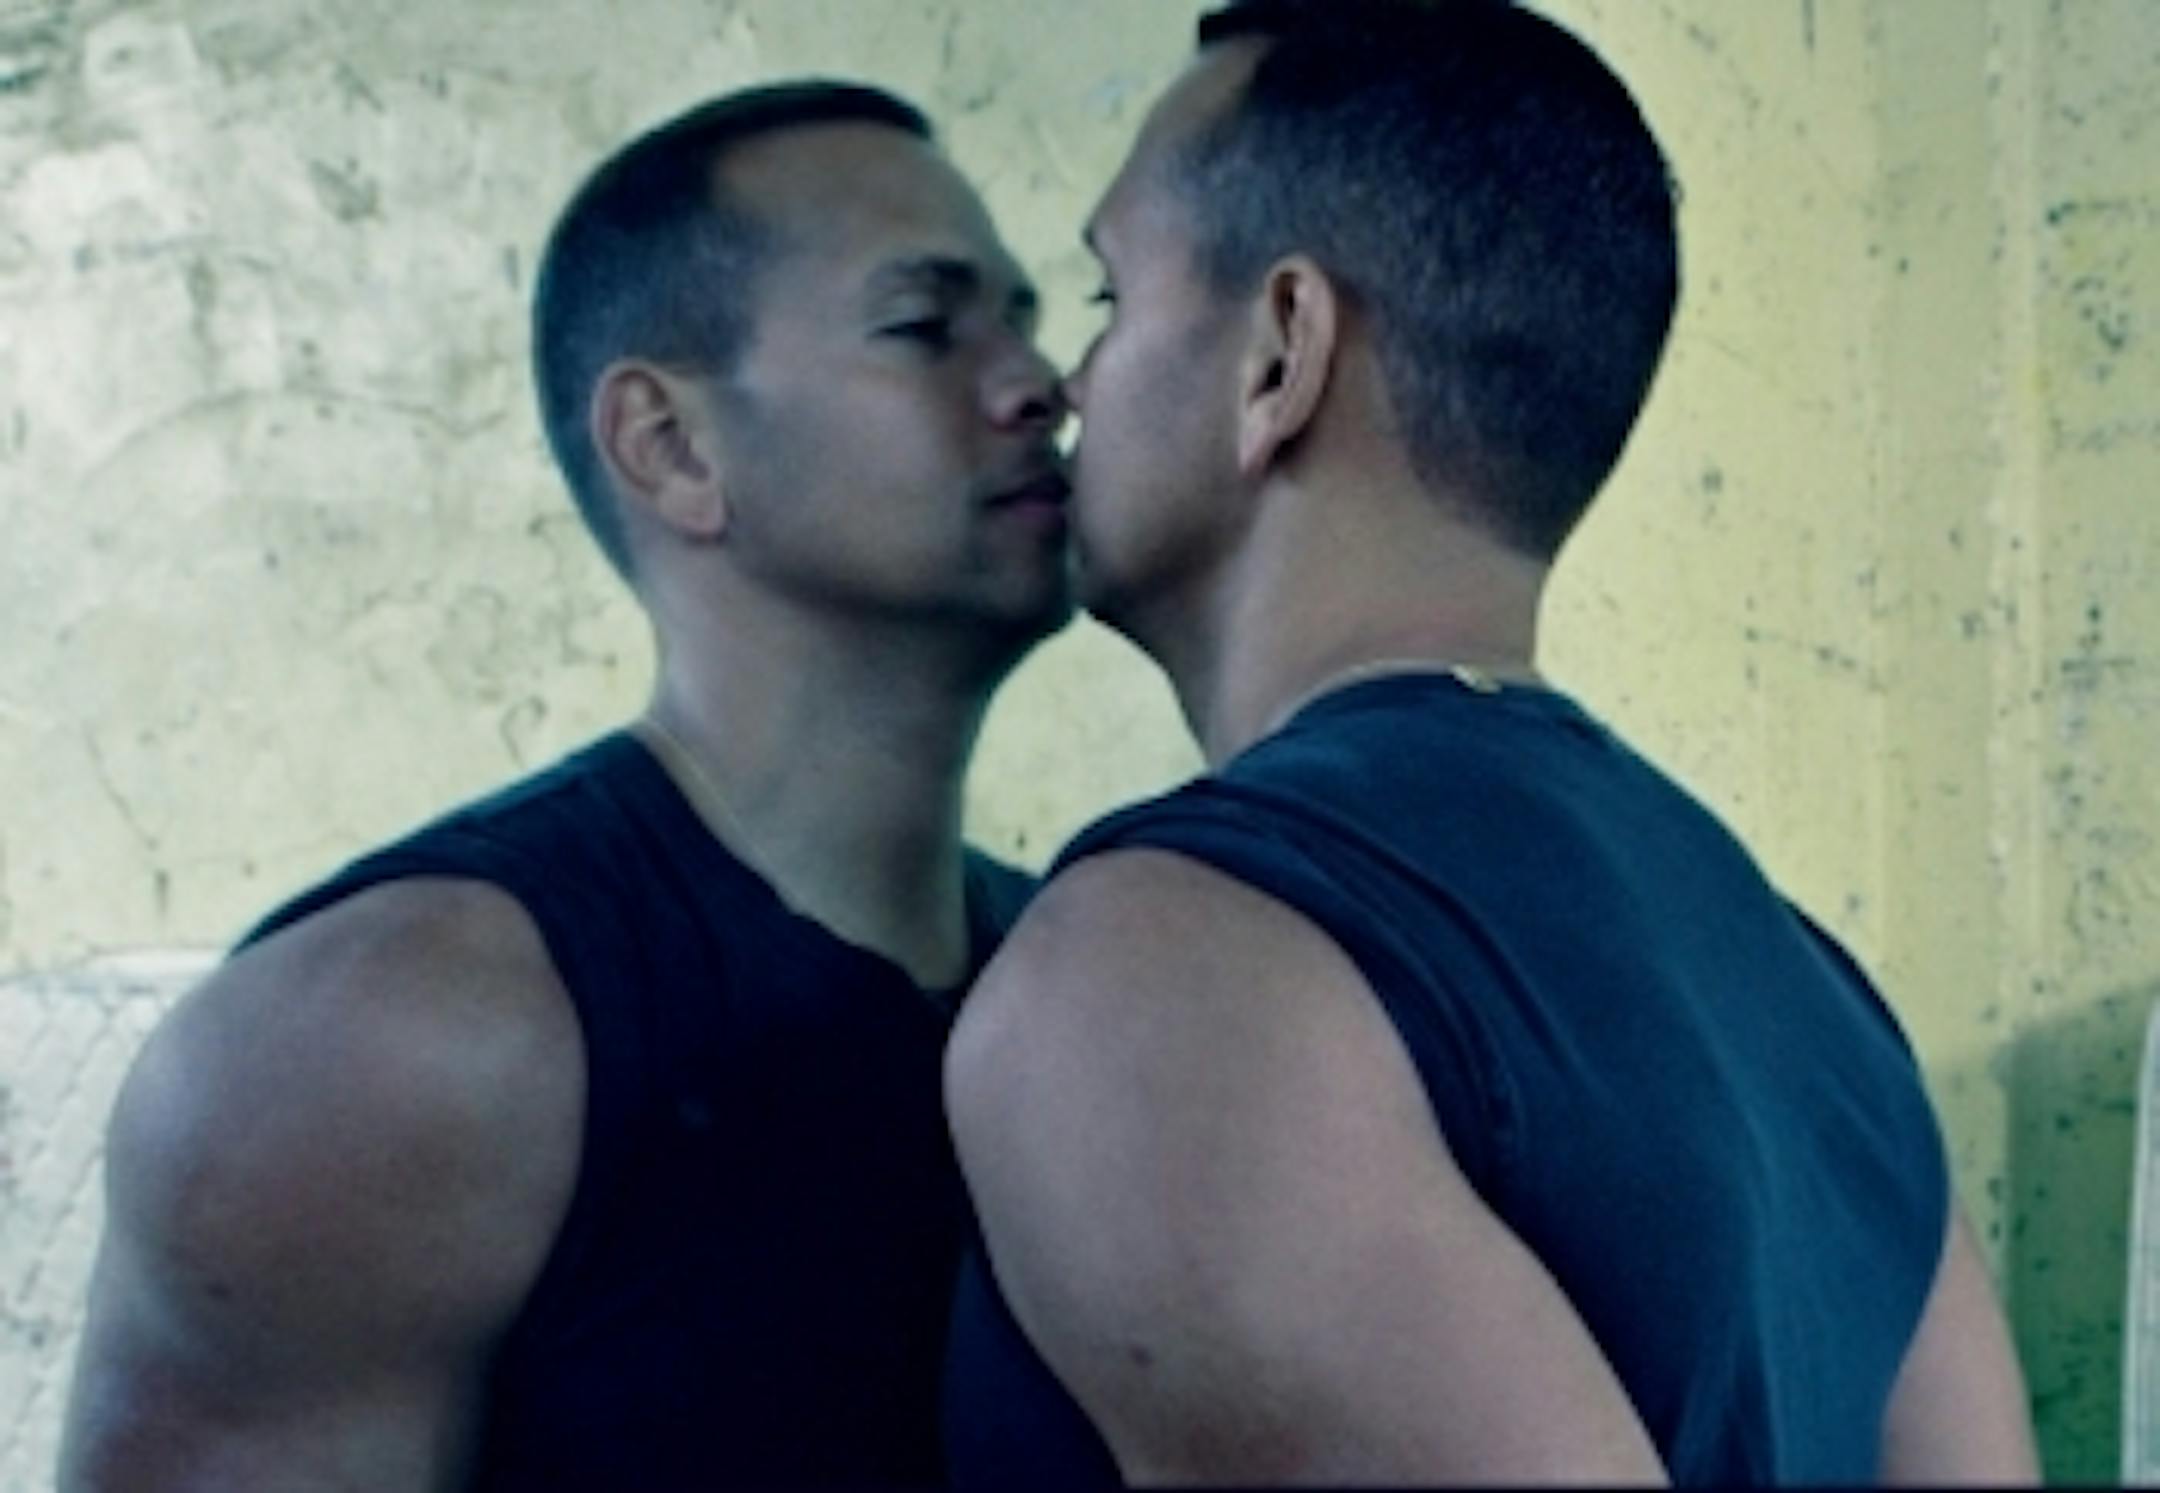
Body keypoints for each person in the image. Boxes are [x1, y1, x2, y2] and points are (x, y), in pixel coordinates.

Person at [942, 1, 2042, 1484]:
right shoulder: (1824, 1011)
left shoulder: (1155, 976)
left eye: (1107, 297)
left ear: (1280, 354)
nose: (1065, 388)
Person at [60, 80, 1073, 1490]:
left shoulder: (1076, 979)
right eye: (924, 326)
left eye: (1028, 319)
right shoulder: (387, 1037)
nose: (1040, 384)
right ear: (672, 447)